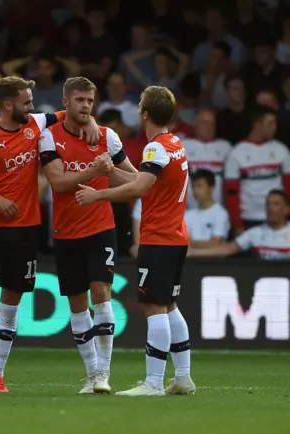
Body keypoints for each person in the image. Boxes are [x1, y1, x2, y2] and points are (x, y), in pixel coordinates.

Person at [0, 75, 101, 393]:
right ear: (8, 105)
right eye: (26, 102)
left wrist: (92, 122)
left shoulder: (35, 124)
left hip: (25, 231)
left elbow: (72, 112)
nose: (32, 106)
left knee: (11, 302)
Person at [76, 86, 196, 396]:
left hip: (158, 238)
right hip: (176, 236)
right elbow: (143, 181)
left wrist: (97, 194)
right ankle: (182, 377)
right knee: (169, 305)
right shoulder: (174, 144)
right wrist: (107, 170)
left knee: (153, 307)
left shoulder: (154, 149)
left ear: (145, 114)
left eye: (140, 104)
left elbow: (139, 188)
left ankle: (153, 383)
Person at [38, 76, 137, 394]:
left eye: (90, 102)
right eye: (79, 100)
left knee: (102, 294)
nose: (85, 106)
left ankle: (104, 374)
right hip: (66, 232)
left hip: (101, 228)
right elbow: (58, 183)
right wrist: (95, 171)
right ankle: (92, 373)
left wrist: (110, 172)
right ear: (65, 102)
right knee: (77, 306)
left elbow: (136, 181)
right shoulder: (49, 137)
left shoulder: (108, 137)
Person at [188, 189, 290, 260]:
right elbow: (227, 249)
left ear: (286, 209)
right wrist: (192, 253)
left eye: (276, 204)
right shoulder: (255, 233)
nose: (270, 208)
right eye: (268, 204)